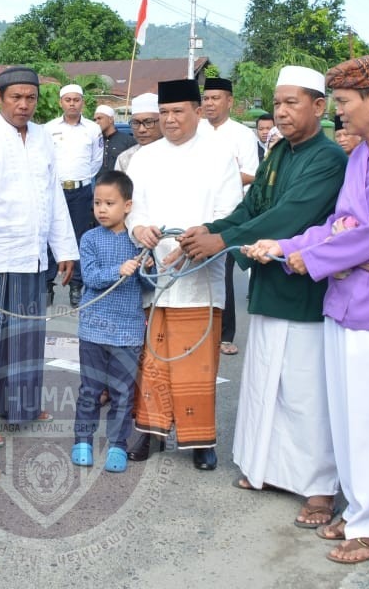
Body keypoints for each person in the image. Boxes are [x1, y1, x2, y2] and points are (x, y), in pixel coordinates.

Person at [250, 56, 369, 565]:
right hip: (344, 297)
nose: (340, 113)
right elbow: (340, 224)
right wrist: (283, 244)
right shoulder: (364, 154)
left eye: (344, 103)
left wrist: (308, 257)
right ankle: (357, 511)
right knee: (347, 417)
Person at [177, 65, 346, 523]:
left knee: (305, 392)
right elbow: (250, 208)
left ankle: (319, 488)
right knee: (264, 383)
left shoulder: (328, 158)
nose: (282, 111)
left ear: (319, 106)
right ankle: (266, 468)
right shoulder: (278, 153)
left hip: (304, 292)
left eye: (292, 103)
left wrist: (221, 242)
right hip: (270, 285)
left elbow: (291, 217)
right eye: (277, 103)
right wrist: (210, 230)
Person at [125, 79, 240, 470]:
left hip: (199, 279)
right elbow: (134, 209)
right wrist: (139, 229)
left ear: (196, 110)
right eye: (164, 113)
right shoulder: (145, 157)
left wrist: (197, 242)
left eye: (177, 112)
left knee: (197, 364)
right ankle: (151, 432)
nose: (170, 120)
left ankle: (199, 440)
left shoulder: (219, 155)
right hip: (157, 277)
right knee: (153, 360)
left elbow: (229, 215)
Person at [0, 67, 79, 442]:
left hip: (33, 255)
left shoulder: (44, 137)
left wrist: (65, 249)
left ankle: (24, 407)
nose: (23, 104)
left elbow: (53, 195)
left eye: (30, 98)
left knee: (30, 333)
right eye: (15, 97)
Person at [72, 170, 153, 473]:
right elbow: (90, 277)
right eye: (97, 203)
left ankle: (118, 444)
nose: (102, 209)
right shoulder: (90, 239)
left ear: (128, 206)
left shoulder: (138, 243)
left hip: (128, 331)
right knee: (89, 389)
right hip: (93, 328)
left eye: (110, 203)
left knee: (122, 392)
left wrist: (146, 268)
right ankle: (82, 440)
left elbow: (149, 288)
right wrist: (118, 270)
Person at [199, 76, 260, 358]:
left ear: (230, 101)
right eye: (206, 98)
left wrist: (219, 177)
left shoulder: (242, 135)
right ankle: (197, 328)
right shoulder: (195, 129)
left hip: (230, 213)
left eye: (216, 98)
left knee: (222, 273)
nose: (210, 103)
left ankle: (225, 334)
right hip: (198, 210)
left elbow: (251, 174)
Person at [44, 84, 103, 306]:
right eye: (67, 99)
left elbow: (96, 160)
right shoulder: (48, 129)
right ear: (61, 102)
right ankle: (47, 284)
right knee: (50, 235)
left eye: (76, 99)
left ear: (83, 103)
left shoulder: (92, 129)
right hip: (54, 189)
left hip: (81, 191)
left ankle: (76, 286)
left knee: (79, 238)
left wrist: (82, 179)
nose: (72, 103)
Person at [114, 93, 161, 173]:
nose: (141, 129)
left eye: (148, 122)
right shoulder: (125, 159)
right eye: (136, 123)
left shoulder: (180, 155)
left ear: (162, 122)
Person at [94, 104, 134, 175]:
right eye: (95, 119)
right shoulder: (95, 141)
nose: (96, 122)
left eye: (99, 118)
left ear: (110, 119)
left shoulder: (128, 140)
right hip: (98, 184)